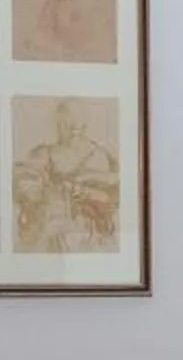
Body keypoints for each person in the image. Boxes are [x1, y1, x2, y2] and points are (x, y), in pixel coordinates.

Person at [14, 101, 118, 253]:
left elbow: (111, 197)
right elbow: (25, 181)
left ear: (82, 124)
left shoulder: (99, 155)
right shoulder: (45, 153)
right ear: (58, 123)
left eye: (74, 121)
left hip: (91, 235)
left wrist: (86, 192)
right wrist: (33, 193)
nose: (71, 126)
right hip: (54, 232)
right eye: (64, 121)